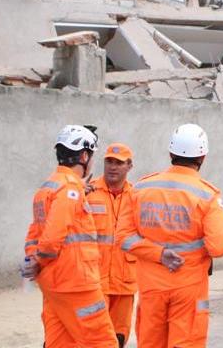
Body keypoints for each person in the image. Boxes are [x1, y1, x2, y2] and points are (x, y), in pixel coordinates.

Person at [117, 124, 223, 348]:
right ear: (203, 156)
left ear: (171, 153)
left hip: (151, 287)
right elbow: (219, 246)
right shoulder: (207, 194)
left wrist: (159, 254)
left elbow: (124, 237)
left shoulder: (141, 188)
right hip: (189, 288)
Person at [22, 125, 117, 347]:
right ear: (84, 155)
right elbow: (53, 237)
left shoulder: (47, 188)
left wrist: (32, 260)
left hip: (53, 283)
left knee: (60, 342)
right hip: (77, 282)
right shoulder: (69, 190)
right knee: (102, 341)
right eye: (91, 156)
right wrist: (39, 259)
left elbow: (34, 233)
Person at [86, 142, 138, 347]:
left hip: (125, 281)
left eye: (119, 162)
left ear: (129, 166)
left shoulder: (137, 197)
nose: (113, 166)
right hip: (94, 281)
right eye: (109, 161)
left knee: (119, 337)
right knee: (94, 337)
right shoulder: (88, 193)